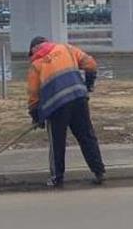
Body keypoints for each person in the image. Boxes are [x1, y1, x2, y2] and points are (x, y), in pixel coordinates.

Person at [26, 35, 106, 188]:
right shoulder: (67, 49)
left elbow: (33, 94)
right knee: (86, 136)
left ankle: (57, 178)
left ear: (34, 49)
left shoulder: (37, 64)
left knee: (57, 142)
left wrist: (36, 115)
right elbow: (91, 64)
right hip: (78, 99)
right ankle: (99, 172)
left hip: (56, 107)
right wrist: (88, 85)